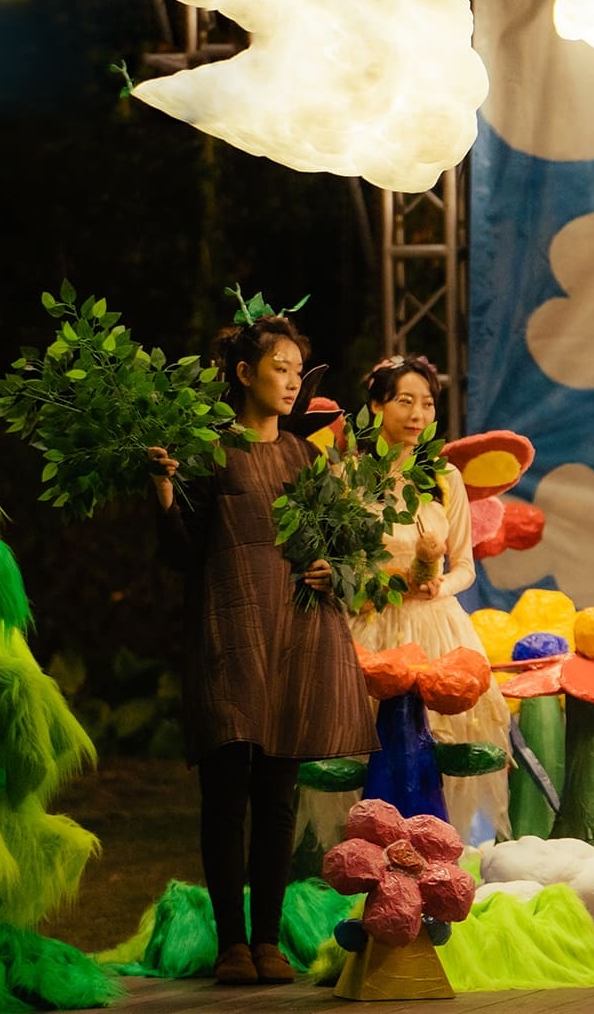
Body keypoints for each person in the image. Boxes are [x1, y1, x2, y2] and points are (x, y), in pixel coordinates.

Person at [150, 314, 379, 986]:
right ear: (244, 373)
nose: (291, 381)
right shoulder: (209, 451)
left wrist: (330, 569)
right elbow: (183, 553)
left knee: (278, 793)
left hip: (292, 635)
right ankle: (231, 943)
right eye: (279, 368)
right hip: (229, 628)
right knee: (227, 788)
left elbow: (333, 545)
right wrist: (164, 492)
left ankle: (268, 940)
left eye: (297, 370)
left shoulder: (307, 457)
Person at [347, 354, 510, 845]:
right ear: (376, 406)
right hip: (373, 624)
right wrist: (382, 584)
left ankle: (436, 851)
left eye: (427, 403)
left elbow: (465, 566)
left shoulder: (443, 477)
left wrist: (440, 585)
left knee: (440, 742)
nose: (417, 414)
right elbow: (340, 564)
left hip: (435, 627)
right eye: (404, 401)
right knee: (364, 747)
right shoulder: (350, 475)